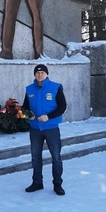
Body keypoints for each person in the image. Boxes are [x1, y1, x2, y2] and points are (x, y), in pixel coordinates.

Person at [22, 64, 67, 195]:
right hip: (35, 129)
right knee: (36, 157)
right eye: (37, 73)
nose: (40, 75)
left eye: (42, 72)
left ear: (47, 74)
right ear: (34, 75)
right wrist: (28, 115)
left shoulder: (55, 87)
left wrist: (49, 116)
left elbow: (62, 107)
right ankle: (37, 182)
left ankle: (57, 184)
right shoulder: (29, 89)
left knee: (56, 157)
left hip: (51, 127)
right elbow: (25, 107)